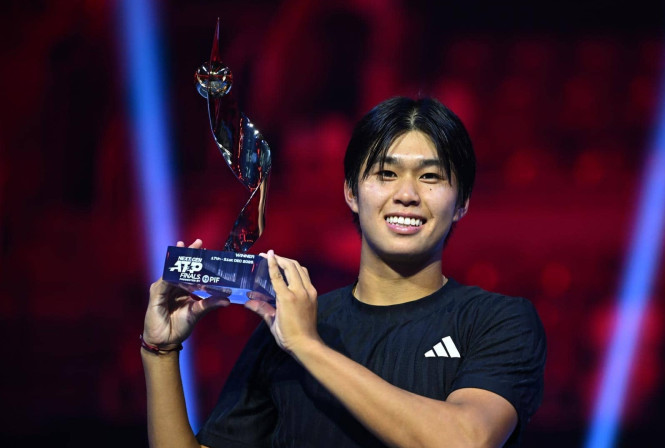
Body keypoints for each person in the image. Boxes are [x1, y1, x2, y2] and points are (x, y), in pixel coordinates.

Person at [141, 97, 546, 448]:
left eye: (430, 176)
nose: (406, 194)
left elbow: (466, 440)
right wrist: (159, 352)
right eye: (386, 174)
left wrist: (309, 347)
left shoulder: (498, 321)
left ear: (461, 204)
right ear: (351, 192)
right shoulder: (285, 328)